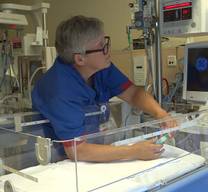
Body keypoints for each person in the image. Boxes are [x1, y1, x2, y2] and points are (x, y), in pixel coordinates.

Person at [32, 15, 174, 163]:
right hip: (58, 161)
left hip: (91, 152)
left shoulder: (100, 69)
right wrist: (134, 151)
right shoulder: (59, 89)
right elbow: (77, 150)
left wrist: (160, 113)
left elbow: (133, 94)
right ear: (80, 59)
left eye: (106, 42)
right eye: (102, 47)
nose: (108, 51)